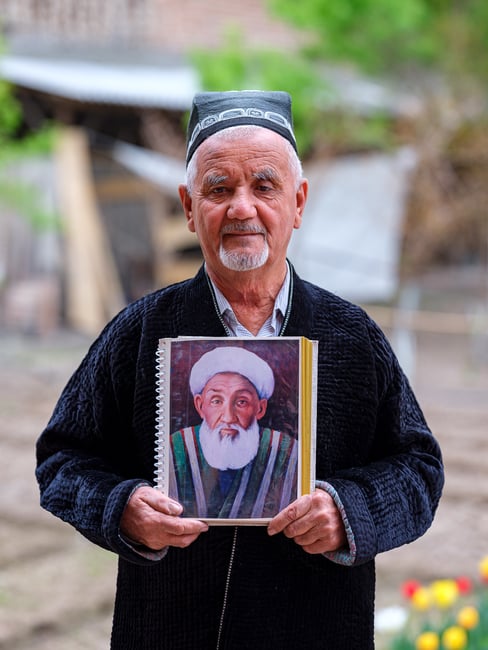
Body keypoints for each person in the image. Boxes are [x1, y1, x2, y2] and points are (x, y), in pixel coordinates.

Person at [36, 90, 444, 649]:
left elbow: (419, 469)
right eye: (219, 189)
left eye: (265, 186)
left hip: (318, 629)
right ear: (187, 206)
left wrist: (349, 512)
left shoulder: (353, 337)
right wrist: (121, 509)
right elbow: (62, 461)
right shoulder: (139, 333)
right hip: (168, 632)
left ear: (298, 203)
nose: (242, 208)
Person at [169, 345, 298, 520]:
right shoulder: (175, 448)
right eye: (216, 401)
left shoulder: (287, 453)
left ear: (260, 408)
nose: (228, 418)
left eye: (241, 402)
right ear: (200, 406)